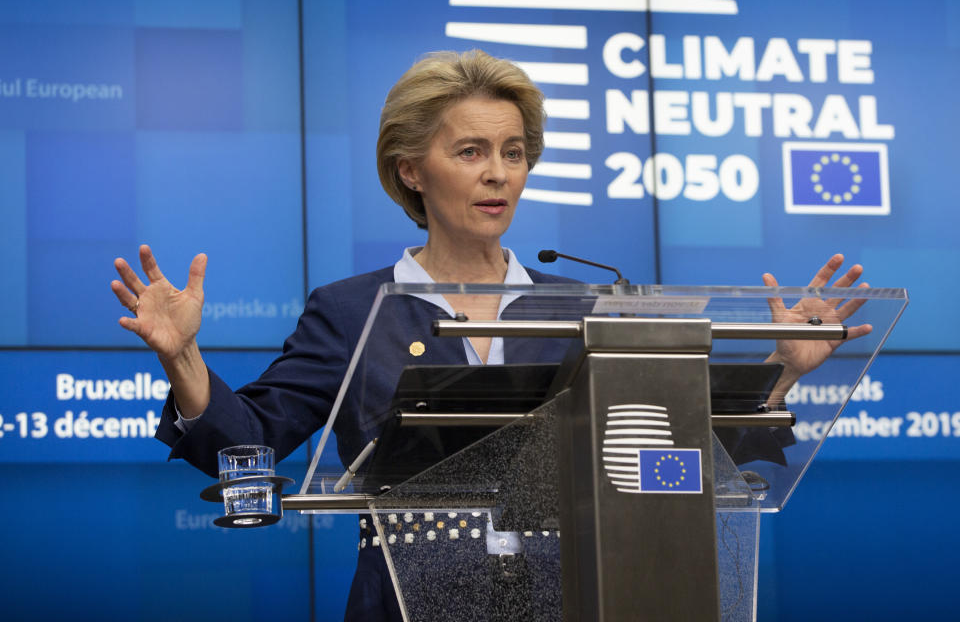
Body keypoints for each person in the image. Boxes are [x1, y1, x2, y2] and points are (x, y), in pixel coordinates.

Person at [110, 50, 870, 621]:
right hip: (403, 601)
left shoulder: (583, 305)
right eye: (470, 151)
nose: (498, 173)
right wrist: (183, 358)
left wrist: (783, 366)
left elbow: (672, 460)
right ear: (411, 170)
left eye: (514, 153)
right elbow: (253, 440)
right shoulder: (353, 310)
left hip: (573, 597)